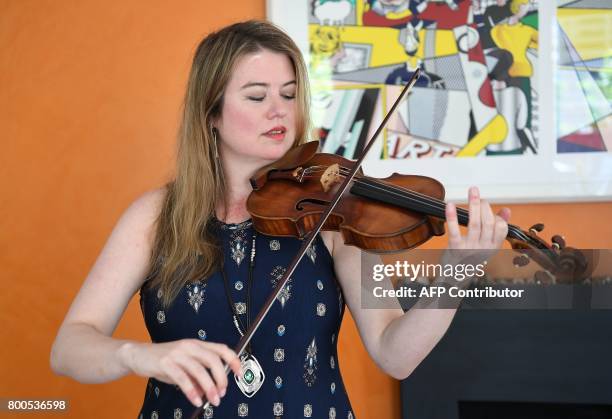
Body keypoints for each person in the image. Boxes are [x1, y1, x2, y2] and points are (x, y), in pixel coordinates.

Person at [50, 20, 511, 418]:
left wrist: (457, 272)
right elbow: (70, 347)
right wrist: (140, 356)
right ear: (211, 112)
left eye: (288, 94)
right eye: (256, 96)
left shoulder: (333, 213)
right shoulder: (154, 217)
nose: (279, 110)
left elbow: (395, 353)